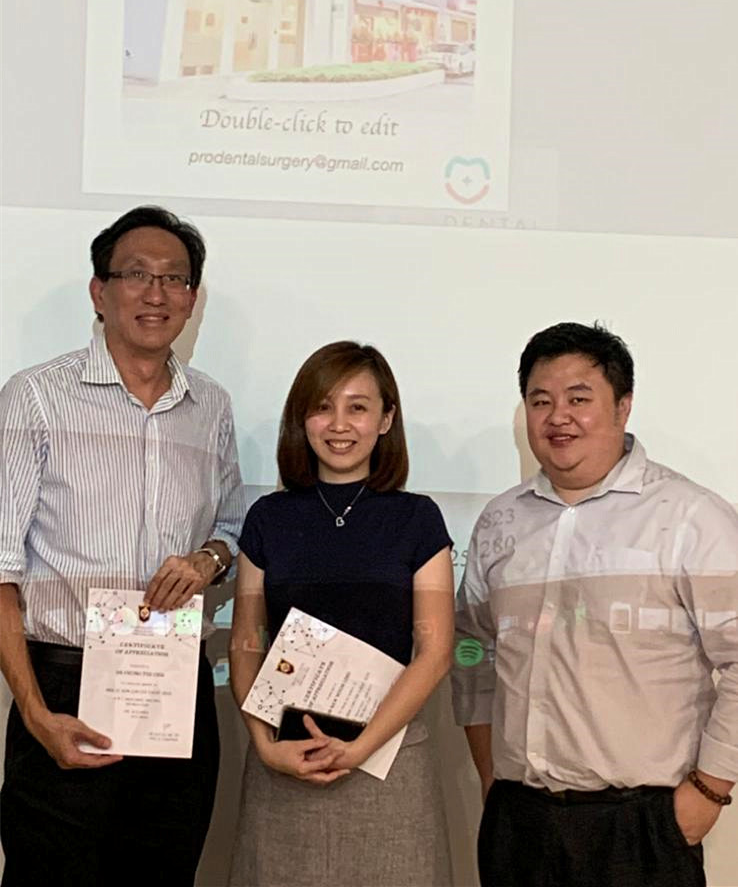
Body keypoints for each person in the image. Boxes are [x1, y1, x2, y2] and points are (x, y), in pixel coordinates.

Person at [0, 205, 246, 886]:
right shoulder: (35, 398)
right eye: (136, 274)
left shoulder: (212, 407)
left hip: (175, 684)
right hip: (65, 684)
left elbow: (232, 526)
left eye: (174, 278)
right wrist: (36, 714)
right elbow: (0, 568)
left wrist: (209, 560)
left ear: (192, 299)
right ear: (98, 291)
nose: (156, 293)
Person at [452, 322, 738, 887]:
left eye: (579, 399)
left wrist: (708, 792)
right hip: (519, 822)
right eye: (541, 401)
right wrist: (490, 774)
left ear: (623, 406)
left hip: (643, 827)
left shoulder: (690, 515)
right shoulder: (500, 521)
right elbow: (471, 649)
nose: (558, 417)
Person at [228, 341, 454, 887]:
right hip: (285, 763)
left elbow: (435, 650)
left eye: (358, 407)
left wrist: (359, 748)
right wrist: (265, 747)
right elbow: (245, 643)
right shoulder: (268, 518)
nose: (339, 424)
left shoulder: (417, 518)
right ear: (300, 419)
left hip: (389, 762)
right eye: (322, 406)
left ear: (386, 419)